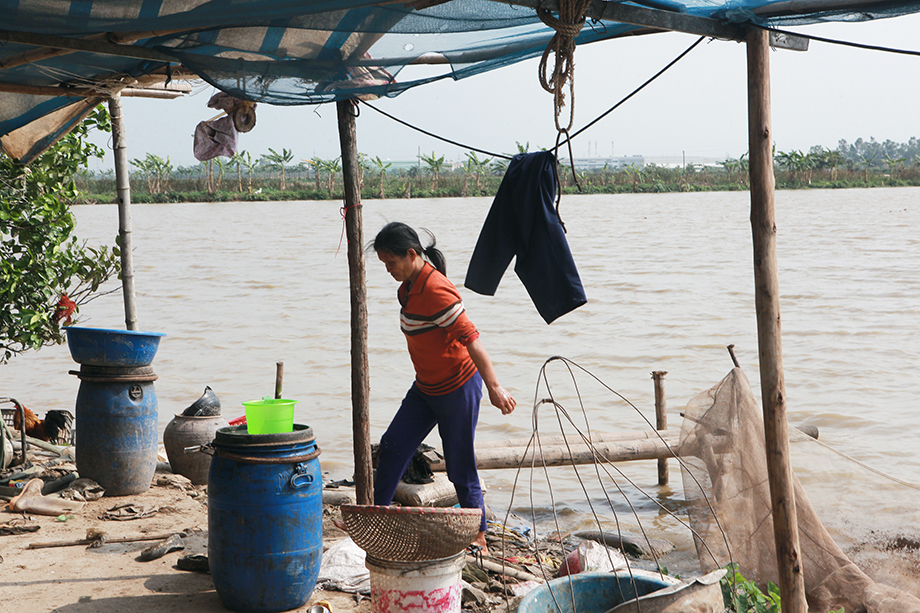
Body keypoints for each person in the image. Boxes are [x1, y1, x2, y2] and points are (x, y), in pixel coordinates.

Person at [370, 221, 516, 555]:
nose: (388, 270)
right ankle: (377, 515)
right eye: (384, 265)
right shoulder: (407, 288)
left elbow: (472, 340)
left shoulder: (436, 289)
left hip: (457, 388)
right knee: (393, 446)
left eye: (391, 263)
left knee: (459, 463)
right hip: (425, 388)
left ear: (411, 254)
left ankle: (477, 534)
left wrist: (494, 387)